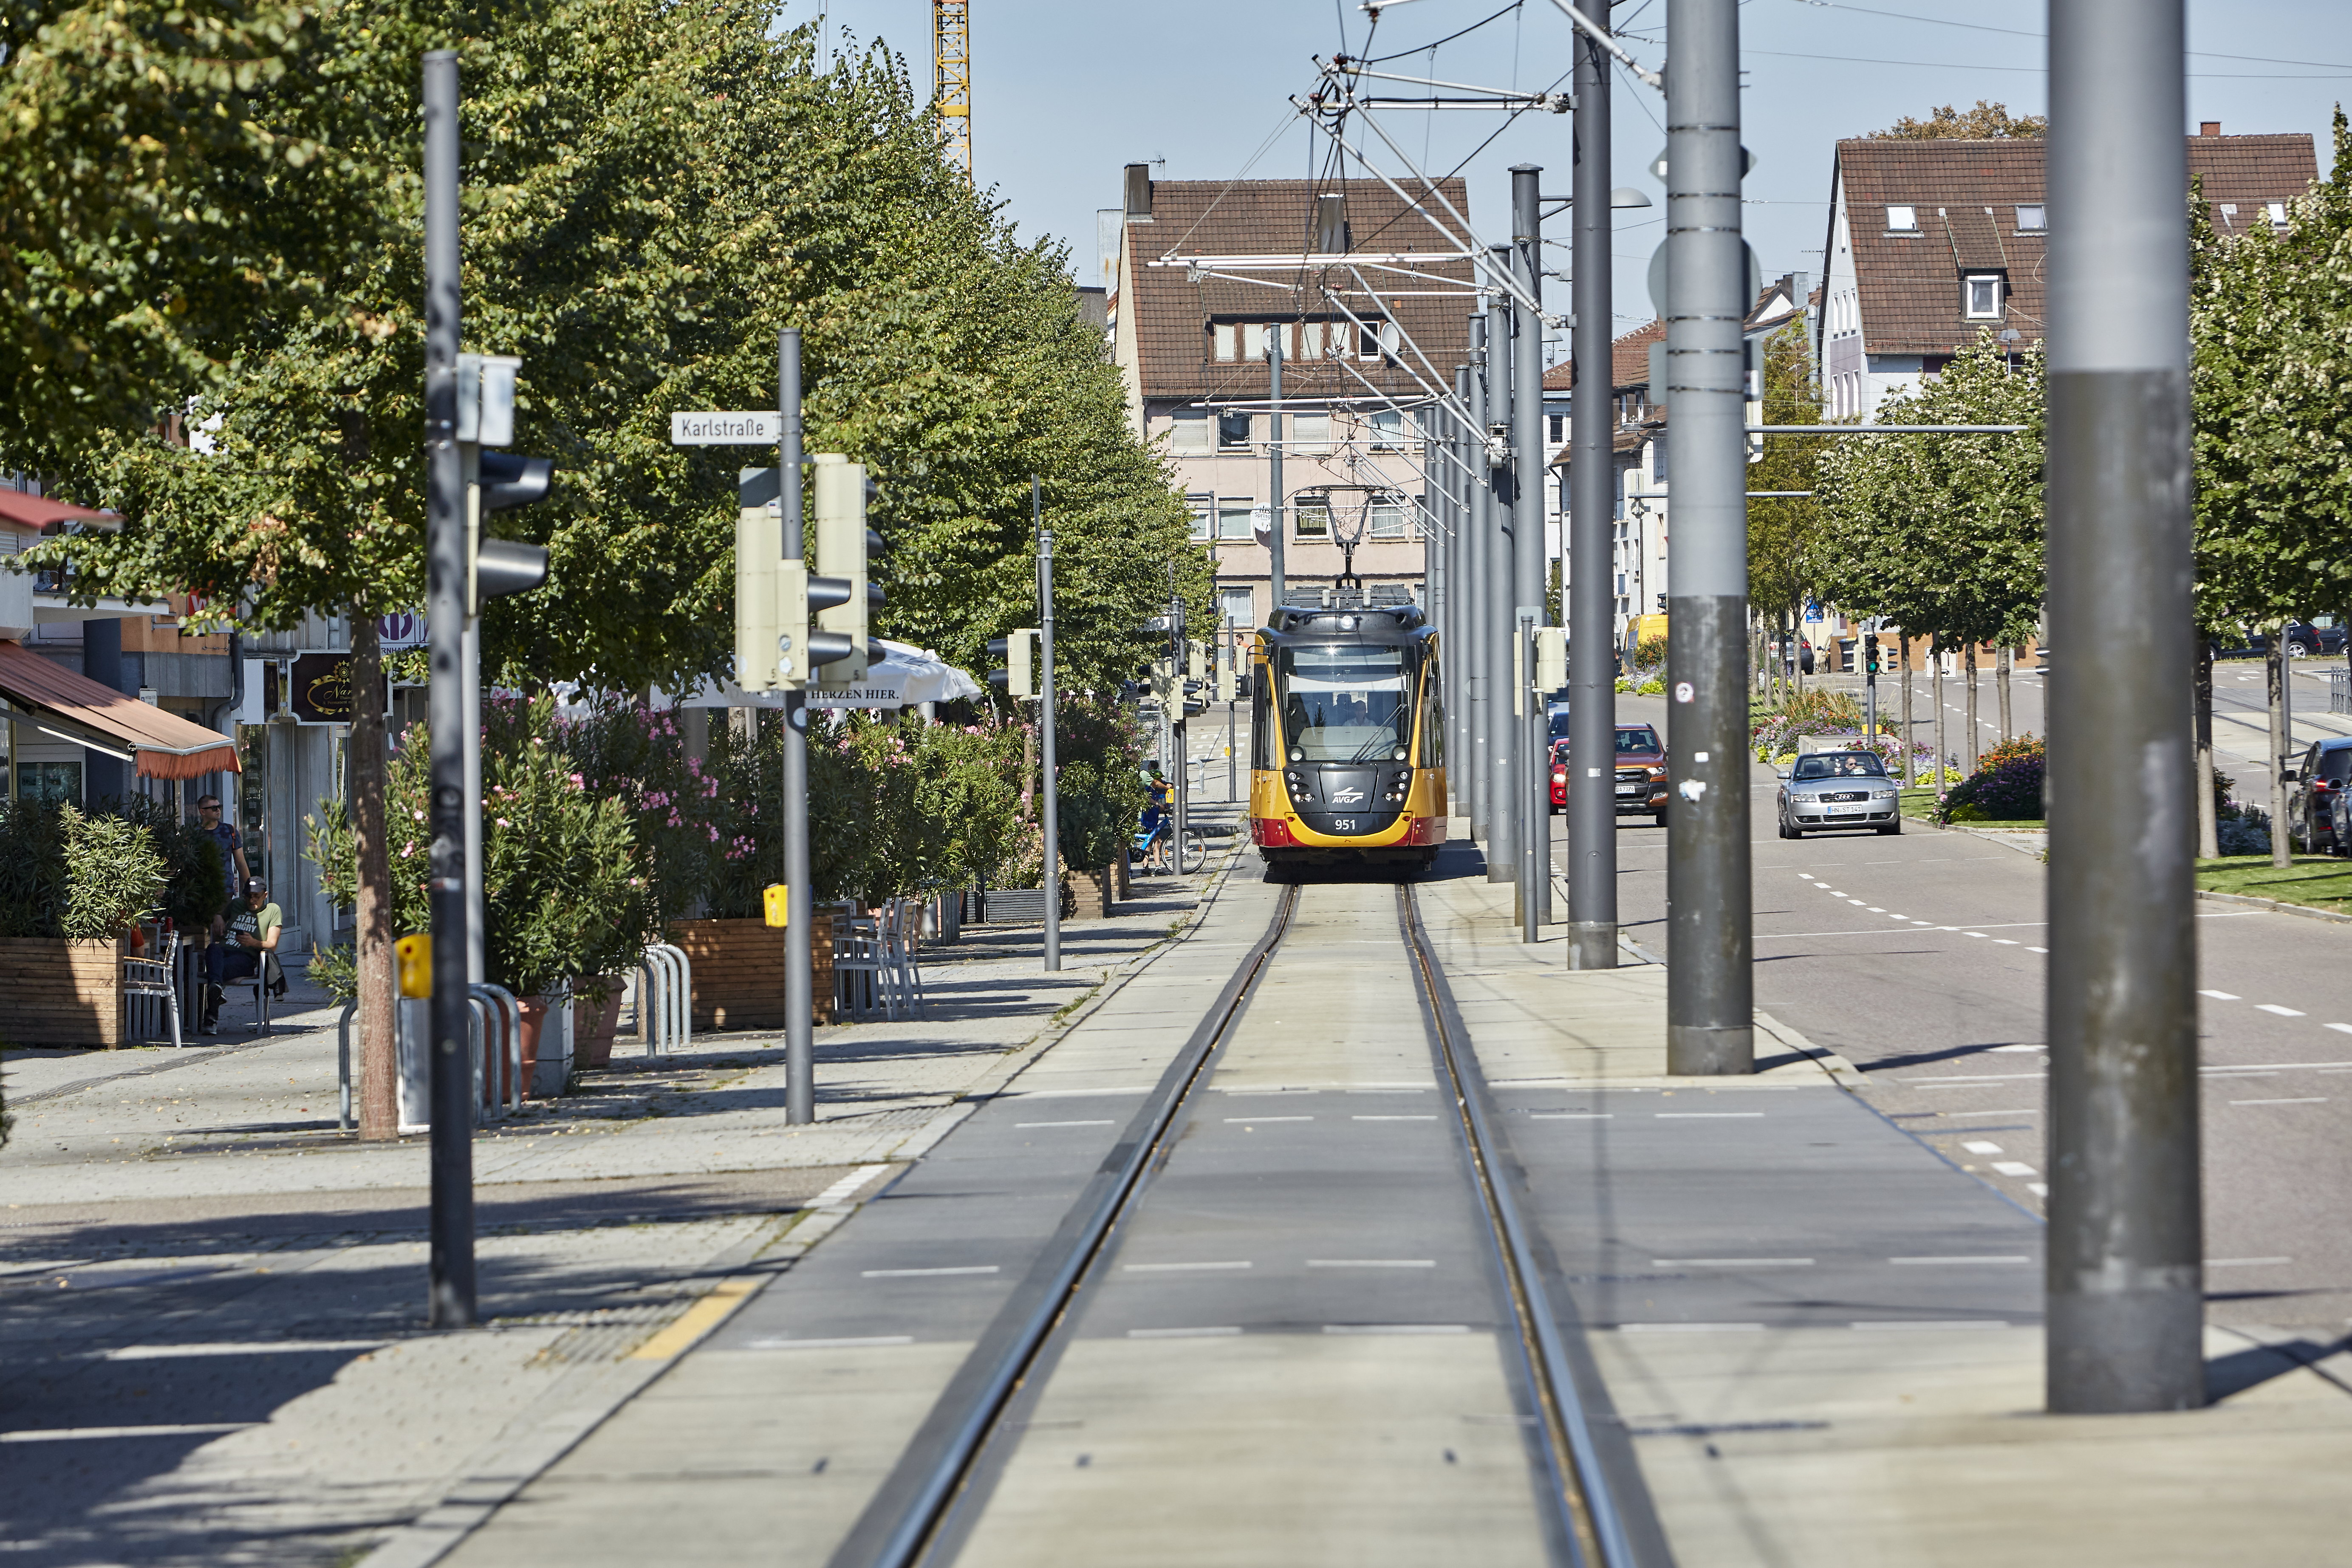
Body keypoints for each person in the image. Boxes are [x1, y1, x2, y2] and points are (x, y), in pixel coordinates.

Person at [202, 878, 282, 1034]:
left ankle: (212, 1015)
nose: (252, 900)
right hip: (223, 953)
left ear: (265, 895)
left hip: (245, 957)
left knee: (214, 975)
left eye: (256, 896)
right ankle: (216, 992)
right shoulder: (237, 904)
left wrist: (253, 942)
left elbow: (272, 944)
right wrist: (218, 916)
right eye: (248, 896)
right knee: (212, 948)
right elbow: (219, 915)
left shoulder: (272, 910)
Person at [193, 794, 251, 888]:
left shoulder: (229, 831)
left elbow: (240, 862)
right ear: (203, 812)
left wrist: (249, 887)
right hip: (200, 889)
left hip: (225, 888)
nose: (218, 810)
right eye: (214, 808)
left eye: (219, 807)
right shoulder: (194, 834)